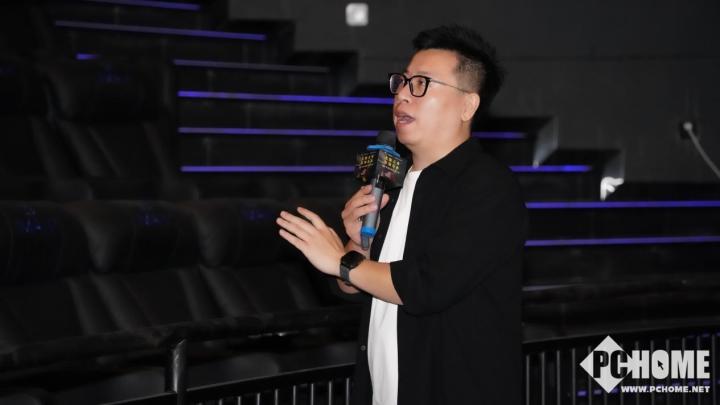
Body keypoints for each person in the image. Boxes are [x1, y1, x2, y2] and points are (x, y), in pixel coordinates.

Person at [276, 24, 528, 405]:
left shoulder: (488, 187)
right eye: (402, 82)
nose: (403, 95)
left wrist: (341, 261)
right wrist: (356, 243)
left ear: (467, 106)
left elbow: (425, 286)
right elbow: (356, 287)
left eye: (421, 84)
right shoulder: (391, 183)